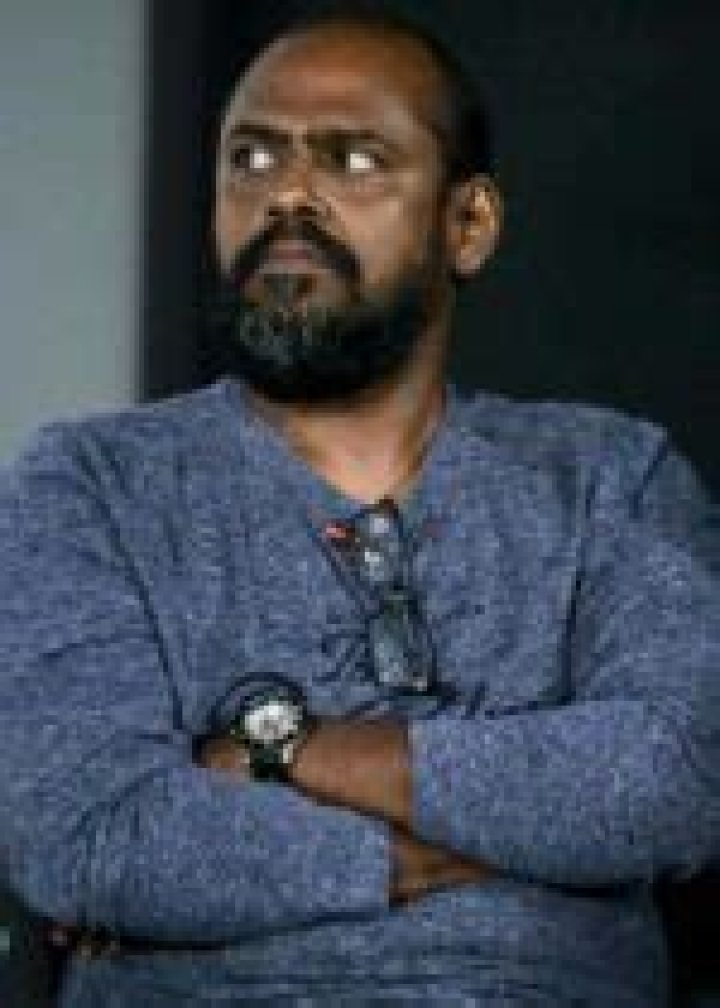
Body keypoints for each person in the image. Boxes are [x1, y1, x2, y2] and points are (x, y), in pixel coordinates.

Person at [1, 10, 718, 1007]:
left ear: (469, 225)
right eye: (251, 157)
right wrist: (482, 844)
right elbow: (91, 834)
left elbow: (673, 779)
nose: (287, 195)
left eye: (354, 159)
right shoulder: (92, 483)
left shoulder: (611, 477)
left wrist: (283, 750)